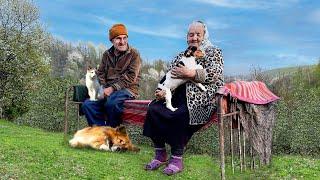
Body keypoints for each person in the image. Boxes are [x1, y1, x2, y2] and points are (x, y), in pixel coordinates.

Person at [143, 21, 224, 175]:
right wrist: (161, 91)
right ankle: (160, 155)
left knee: (180, 115)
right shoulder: (180, 55)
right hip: (176, 95)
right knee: (153, 109)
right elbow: (169, 76)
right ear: (187, 38)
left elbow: (215, 74)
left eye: (198, 34)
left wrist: (191, 74)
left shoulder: (214, 52)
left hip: (200, 97)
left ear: (204, 36)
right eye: (191, 34)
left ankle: (176, 159)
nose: (194, 38)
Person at [81, 23, 142, 127]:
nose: (122, 42)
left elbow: (131, 77)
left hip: (127, 89)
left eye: (124, 38)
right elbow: (100, 73)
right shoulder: (106, 54)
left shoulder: (134, 54)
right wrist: (104, 88)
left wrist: (111, 89)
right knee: (87, 105)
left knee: (111, 103)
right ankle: (101, 134)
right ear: (112, 40)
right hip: (108, 90)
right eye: (118, 38)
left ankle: (112, 134)